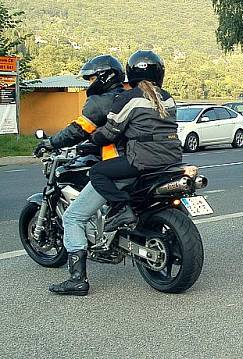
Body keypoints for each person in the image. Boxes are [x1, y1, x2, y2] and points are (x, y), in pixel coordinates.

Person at [42, 55, 126, 296]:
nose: (88, 83)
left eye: (90, 78)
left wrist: (50, 143)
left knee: (72, 217)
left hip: (115, 164)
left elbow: (78, 130)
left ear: (103, 77)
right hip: (142, 161)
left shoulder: (100, 101)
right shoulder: (130, 96)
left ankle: (77, 279)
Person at [89, 50, 182, 232]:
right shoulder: (168, 98)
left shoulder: (128, 98)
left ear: (131, 72)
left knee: (96, 172)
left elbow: (110, 132)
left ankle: (122, 208)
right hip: (173, 157)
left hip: (142, 159)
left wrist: (94, 137)